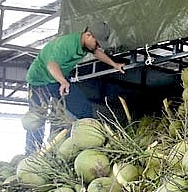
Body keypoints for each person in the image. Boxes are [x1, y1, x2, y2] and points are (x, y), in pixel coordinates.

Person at [25, 22, 125, 152]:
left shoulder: (86, 45)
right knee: (37, 120)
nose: (98, 46)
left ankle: (87, 141)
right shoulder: (66, 45)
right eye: (97, 43)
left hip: (56, 79)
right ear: (88, 35)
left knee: (83, 109)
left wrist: (114, 64)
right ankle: (32, 154)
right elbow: (51, 65)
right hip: (39, 80)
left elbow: (97, 53)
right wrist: (63, 81)